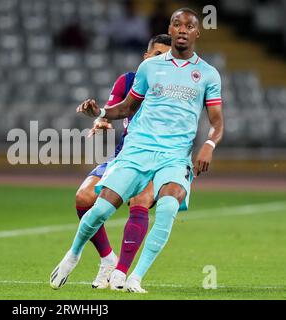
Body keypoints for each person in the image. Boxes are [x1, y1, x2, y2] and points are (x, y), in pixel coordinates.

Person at [50, 8, 224, 293]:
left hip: (175, 155)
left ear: (196, 32)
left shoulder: (207, 74)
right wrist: (102, 112)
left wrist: (208, 145)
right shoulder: (148, 69)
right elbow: (129, 107)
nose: (182, 29)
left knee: (167, 207)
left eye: (188, 26)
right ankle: (74, 254)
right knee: (100, 209)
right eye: (177, 24)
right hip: (138, 149)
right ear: (171, 27)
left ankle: (133, 276)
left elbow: (217, 122)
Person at [74, 34, 171, 289]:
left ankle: (121, 273)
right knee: (84, 197)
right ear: (146, 56)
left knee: (139, 201)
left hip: (158, 159)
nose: (162, 59)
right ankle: (107, 259)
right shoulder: (128, 81)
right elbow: (111, 109)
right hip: (124, 155)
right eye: (157, 54)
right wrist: (100, 120)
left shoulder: (174, 90)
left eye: (167, 55)